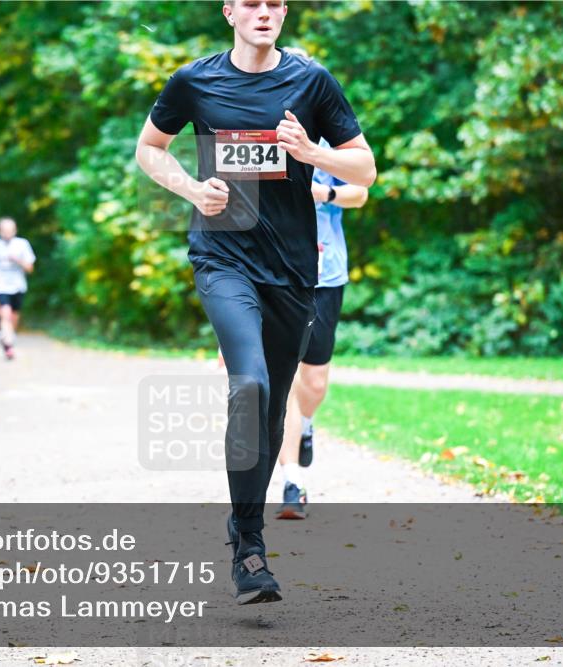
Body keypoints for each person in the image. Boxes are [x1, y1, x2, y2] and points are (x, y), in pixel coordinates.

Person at [135, 0, 375, 605]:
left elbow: (365, 168)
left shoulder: (311, 79)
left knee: (270, 413)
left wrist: (313, 153)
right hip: (222, 257)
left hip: (294, 270)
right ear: (230, 12)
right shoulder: (194, 80)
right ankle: (249, 547)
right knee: (250, 385)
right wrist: (192, 189)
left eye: (274, 3)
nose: (263, 12)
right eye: (252, 3)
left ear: (284, 12)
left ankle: (245, 527)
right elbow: (150, 149)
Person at [276, 139, 369, 520]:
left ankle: (307, 425)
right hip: (277, 275)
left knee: (313, 384)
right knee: (283, 380)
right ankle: (291, 482)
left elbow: (360, 191)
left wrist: (325, 192)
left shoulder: (331, 140)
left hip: (325, 276)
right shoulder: (260, 138)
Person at [0, 217, 36, 360]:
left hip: (18, 286)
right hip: (1, 286)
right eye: (4, 230)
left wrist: (18, 260)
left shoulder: (22, 244)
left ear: (15, 230)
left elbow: (30, 268)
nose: (7, 233)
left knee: (14, 316)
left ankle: (9, 337)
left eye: (10, 230)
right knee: (5, 314)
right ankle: (8, 344)